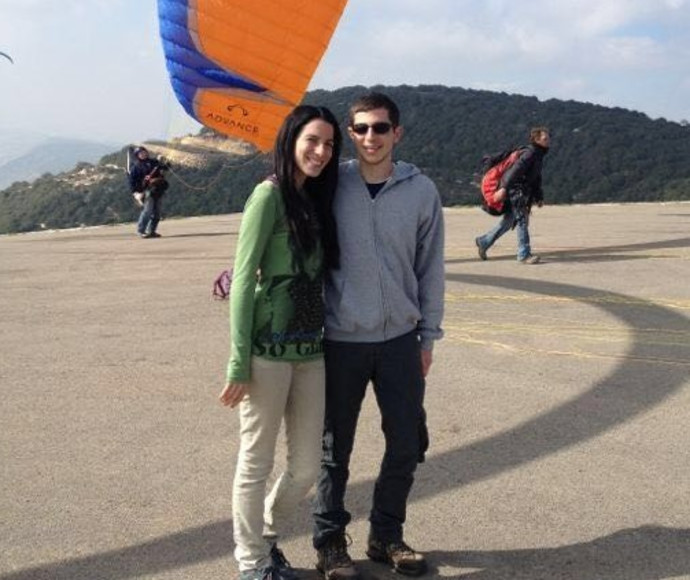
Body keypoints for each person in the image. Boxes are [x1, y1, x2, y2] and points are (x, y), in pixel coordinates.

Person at [312, 92, 445, 579]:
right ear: (350, 133)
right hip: (341, 340)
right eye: (362, 128)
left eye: (381, 128)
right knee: (333, 452)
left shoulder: (421, 191)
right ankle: (330, 545)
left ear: (397, 133)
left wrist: (427, 337)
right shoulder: (331, 185)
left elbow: (430, 268)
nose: (372, 137)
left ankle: (386, 535)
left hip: (399, 342)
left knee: (406, 443)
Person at [219, 105, 342, 580]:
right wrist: (238, 362)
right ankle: (251, 562)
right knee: (256, 462)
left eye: (329, 144)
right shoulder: (267, 195)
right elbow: (241, 280)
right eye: (312, 140)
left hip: (311, 353)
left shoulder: (314, 199)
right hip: (266, 355)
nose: (321, 151)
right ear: (291, 140)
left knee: (307, 468)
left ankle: (264, 537)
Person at [475, 127, 550, 264]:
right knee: (522, 220)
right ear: (536, 140)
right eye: (545, 139)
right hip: (515, 190)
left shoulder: (537, 155)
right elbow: (515, 171)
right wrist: (503, 188)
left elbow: (536, 178)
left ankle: (484, 242)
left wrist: (539, 197)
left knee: (509, 221)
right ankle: (524, 254)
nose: (548, 141)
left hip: (517, 191)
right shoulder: (530, 153)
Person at [127, 146, 169, 238]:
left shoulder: (154, 162)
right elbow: (131, 181)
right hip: (145, 191)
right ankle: (141, 230)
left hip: (157, 189)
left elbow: (164, 168)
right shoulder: (136, 167)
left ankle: (151, 231)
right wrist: (135, 193)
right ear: (137, 155)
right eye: (141, 153)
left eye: (144, 152)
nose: (143, 154)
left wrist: (166, 164)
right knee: (147, 211)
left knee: (157, 212)